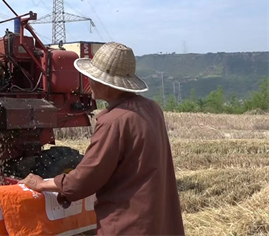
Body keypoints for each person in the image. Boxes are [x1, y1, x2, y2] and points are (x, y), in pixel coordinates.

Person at [20, 42, 185, 236]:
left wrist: (41, 184)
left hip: (127, 223)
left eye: (94, 77)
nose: (89, 82)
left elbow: (85, 178)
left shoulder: (114, 121)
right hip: (156, 218)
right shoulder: (152, 109)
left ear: (109, 84)